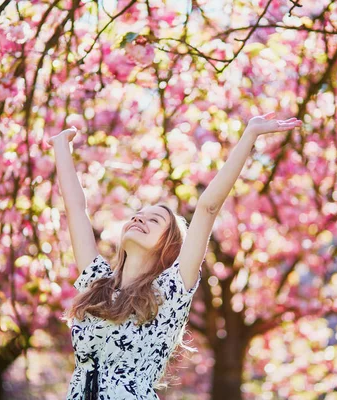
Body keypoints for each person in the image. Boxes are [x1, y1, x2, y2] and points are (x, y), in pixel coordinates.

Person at [47, 111, 302, 399]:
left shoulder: (170, 291)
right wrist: (61, 147)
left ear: (167, 246)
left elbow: (208, 207)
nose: (139, 219)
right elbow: (75, 209)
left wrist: (249, 135)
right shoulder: (97, 284)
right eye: (138, 215)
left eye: (154, 221)